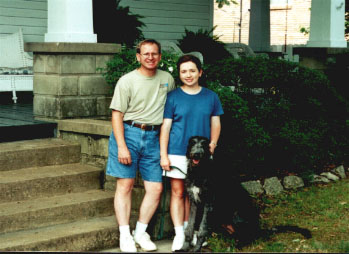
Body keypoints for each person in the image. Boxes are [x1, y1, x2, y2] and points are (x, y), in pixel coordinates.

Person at [106, 39, 175, 253]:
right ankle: (125, 235)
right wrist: (122, 146)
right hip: (129, 133)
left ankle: (141, 231)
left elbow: (171, 111)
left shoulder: (167, 79)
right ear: (138, 56)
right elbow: (116, 115)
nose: (150, 57)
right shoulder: (127, 81)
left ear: (160, 57)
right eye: (146, 54)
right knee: (125, 186)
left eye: (154, 53)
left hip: (155, 138)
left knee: (155, 188)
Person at [160, 54, 224, 251]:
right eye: (184, 71)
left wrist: (213, 143)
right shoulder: (173, 97)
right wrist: (163, 154)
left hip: (202, 155)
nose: (188, 75)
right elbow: (166, 127)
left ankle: (194, 234)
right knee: (179, 193)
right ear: (179, 74)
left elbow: (216, 122)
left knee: (196, 197)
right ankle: (180, 235)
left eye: (192, 71)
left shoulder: (211, 96)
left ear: (200, 72)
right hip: (177, 152)